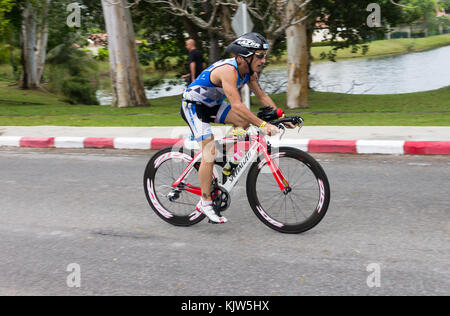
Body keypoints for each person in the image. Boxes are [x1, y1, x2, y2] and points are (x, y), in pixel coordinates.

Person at [180, 32, 292, 224]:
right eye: (259, 56)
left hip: (212, 105)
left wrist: (281, 116)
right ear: (242, 57)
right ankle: (205, 202)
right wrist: (263, 125)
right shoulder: (228, 71)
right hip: (194, 105)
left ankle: (228, 160)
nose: (263, 60)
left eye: (264, 56)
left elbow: (262, 96)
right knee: (209, 151)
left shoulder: (249, 72)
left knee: (243, 123)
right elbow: (238, 105)